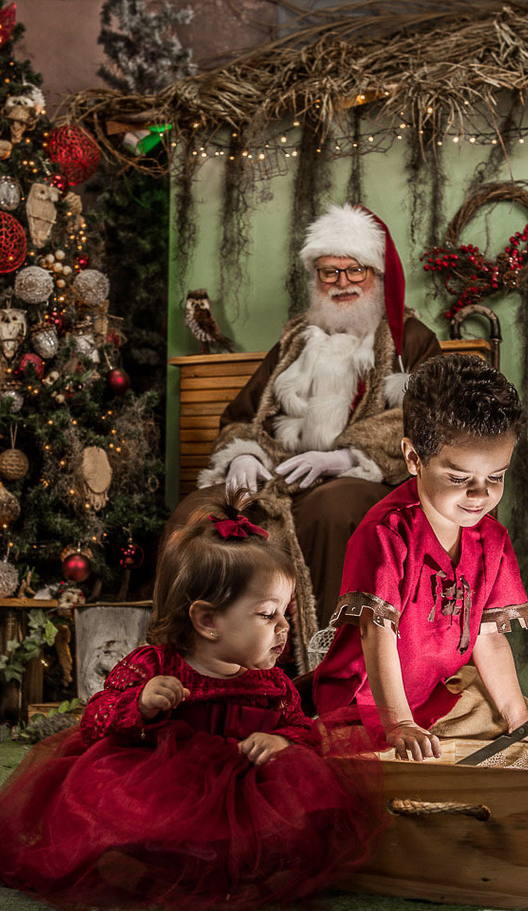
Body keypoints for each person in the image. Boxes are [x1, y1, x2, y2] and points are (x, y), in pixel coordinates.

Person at [0, 492, 386, 911]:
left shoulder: (272, 684)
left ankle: (245, 870)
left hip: (240, 794)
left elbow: (304, 731)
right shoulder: (156, 665)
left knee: (298, 804)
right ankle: (134, 861)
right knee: (117, 800)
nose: (284, 627)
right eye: (267, 614)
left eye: (284, 613)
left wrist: (280, 740)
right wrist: (139, 704)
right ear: (208, 620)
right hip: (164, 786)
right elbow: (95, 721)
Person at [176, 203, 441, 671]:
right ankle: (201, 670)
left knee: (330, 509)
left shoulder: (410, 339)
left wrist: (346, 457)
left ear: (376, 275)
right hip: (281, 474)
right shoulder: (296, 338)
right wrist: (243, 456)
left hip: (369, 479)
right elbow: (244, 412)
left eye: (353, 269)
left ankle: (323, 674)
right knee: (200, 508)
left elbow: (427, 420)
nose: (341, 282)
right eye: (327, 272)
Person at [311, 353, 528, 760]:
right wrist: (398, 723)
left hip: (434, 693)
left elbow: (488, 639)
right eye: (459, 478)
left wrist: (518, 714)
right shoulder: (386, 534)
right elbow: (374, 634)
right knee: (364, 755)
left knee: (517, 722)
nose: (480, 495)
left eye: (496, 478)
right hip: (367, 702)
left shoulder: (493, 540)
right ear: (414, 458)